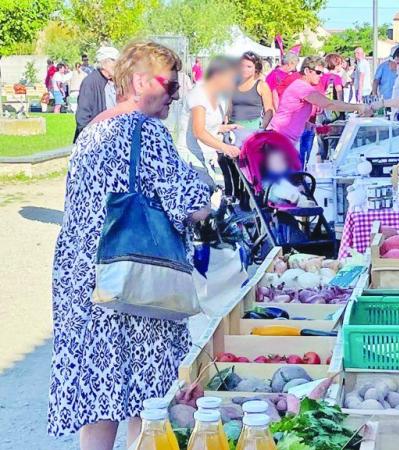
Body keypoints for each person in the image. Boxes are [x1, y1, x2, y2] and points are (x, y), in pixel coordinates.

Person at [48, 40, 210, 450]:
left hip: (85, 281)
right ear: (140, 81)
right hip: (137, 278)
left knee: (99, 395)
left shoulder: (91, 132)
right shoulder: (147, 131)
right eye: (171, 86)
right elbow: (189, 207)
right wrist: (205, 194)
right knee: (147, 398)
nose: (175, 97)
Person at [268, 56, 370, 163]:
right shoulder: (301, 87)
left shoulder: (302, 86)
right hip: (279, 140)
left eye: (322, 72)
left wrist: (312, 126)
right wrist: (359, 107)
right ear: (307, 71)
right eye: (318, 72)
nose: (321, 76)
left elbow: (295, 113)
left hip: (284, 140)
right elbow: (329, 104)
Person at [177, 55, 241, 191]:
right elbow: (198, 131)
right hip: (190, 154)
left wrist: (226, 127)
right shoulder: (199, 93)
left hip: (206, 153)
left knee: (209, 190)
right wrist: (225, 147)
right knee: (205, 189)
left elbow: (209, 125)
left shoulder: (219, 96)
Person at [73, 46, 120, 141]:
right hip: (95, 141)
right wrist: (89, 140)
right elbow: (82, 117)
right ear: (104, 63)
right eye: (115, 61)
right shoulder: (90, 82)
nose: (118, 65)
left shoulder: (115, 81)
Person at [229, 51, 274, 130]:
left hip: (252, 129)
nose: (244, 69)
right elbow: (229, 108)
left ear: (256, 69)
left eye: (249, 67)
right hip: (232, 128)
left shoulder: (261, 85)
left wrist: (261, 128)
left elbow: (269, 111)